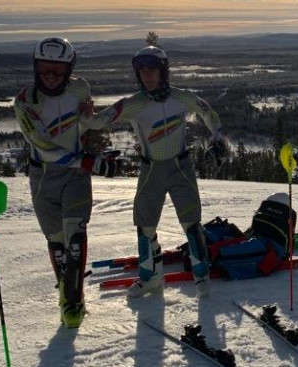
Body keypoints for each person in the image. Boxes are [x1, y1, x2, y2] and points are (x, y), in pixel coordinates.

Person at [83, 45, 228, 299]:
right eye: (142, 71)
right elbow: (97, 121)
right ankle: (151, 278)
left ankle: (201, 277)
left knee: (191, 224)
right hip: (151, 169)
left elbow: (206, 110)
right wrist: (83, 111)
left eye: (152, 70)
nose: (147, 75)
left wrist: (217, 137)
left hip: (180, 166)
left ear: (163, 72)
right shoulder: (134, 104)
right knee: (145, 226)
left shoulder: (180, 97)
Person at [13, 37, 118, 328]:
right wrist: (88, 161)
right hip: (44, 173)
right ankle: (65, 291)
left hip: (75, 174)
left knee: (75, 232)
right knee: (56, 239)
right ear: (35, 67)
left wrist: (94, 119)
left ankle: (75, 298)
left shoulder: (79, 88)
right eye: (44, 69)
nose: (50, 76)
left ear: (68, 70)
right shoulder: (25, 100)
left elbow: (84, 123)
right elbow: (43, 146)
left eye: (57, 70)